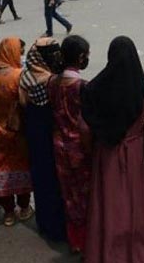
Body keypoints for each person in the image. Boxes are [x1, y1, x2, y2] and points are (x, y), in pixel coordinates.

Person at [83, 36, 144, 263]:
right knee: (138, 204)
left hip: (106, 152)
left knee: (110, 206)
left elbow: (86, 124)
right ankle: (140, 252)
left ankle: (109, 253)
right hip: (135, 151)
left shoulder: (95, 87)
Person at [0, 37, 34, 227]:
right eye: (19, 51)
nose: (21, 55)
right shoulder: (18, 76)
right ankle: (25, 208)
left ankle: (9, 213)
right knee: (20, 168)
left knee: (1, 170)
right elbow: (25, 103)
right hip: (16, 132)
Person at [19, 37, 66, 241]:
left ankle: (45, 223)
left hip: (34, 132)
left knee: (41, 178)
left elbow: (23, 104)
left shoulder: (26, 76)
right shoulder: (51, 80)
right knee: (56, 179)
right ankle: (59, 226)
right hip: (51, 134)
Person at [47, 35, 92, 253]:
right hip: (80, 149)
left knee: (68, 195)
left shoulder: (52, 82)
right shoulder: (82, 86)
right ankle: (86, 240)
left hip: (59, 147)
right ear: (81, 57)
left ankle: (75, 240)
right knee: (84, 196)